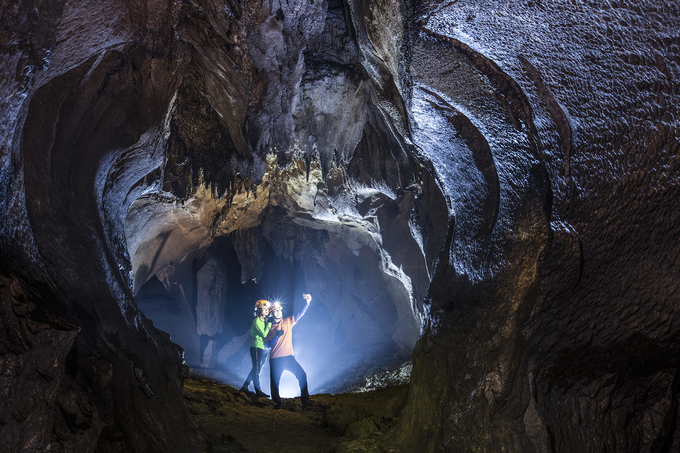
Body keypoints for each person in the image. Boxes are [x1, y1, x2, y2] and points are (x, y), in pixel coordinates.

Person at [264, 293, 312, 408]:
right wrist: (276, 336)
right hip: (276, 359)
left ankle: (305, 400)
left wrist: (307, 303)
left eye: (280, 310)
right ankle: (276, 403)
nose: (279, 312)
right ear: (271, 313)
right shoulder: (268, 327)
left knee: (302, 375)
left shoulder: (287, 321)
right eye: (276, 311)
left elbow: (300, 314)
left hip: (289, 357)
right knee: (275, 383)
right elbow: (266, 345)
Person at [241, 299, 272, 398]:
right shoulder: (256, 321)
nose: (267, 310)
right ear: (258, 310)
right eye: (264, 308)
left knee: (256, 369)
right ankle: (258, 391)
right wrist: (270, 324)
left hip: (264, 348)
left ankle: (245, 387)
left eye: (267, 309)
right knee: (257, 370)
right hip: (256, 348)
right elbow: (264, 334)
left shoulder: (266, 320)